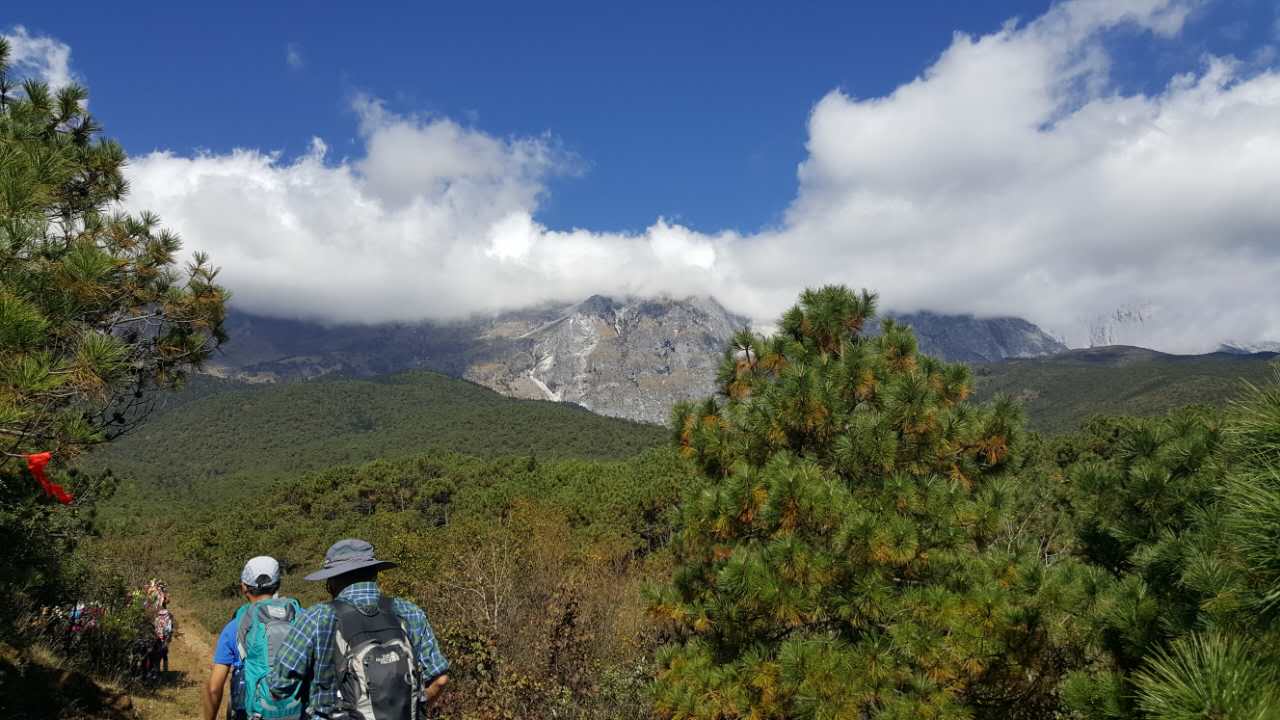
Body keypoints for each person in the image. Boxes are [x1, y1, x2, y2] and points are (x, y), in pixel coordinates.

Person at [269, 539, 450, 719]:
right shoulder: (409, 612)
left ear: (332, 581)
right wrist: (417, 707)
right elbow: (440, 679)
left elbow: (280, 685)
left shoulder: (316, 618)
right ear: (375, 574)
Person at [203, 556, 299, 720]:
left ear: (244, 587)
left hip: (253, 713)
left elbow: (214, 688)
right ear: (278, 585)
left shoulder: (236, 625)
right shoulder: (301, 616)